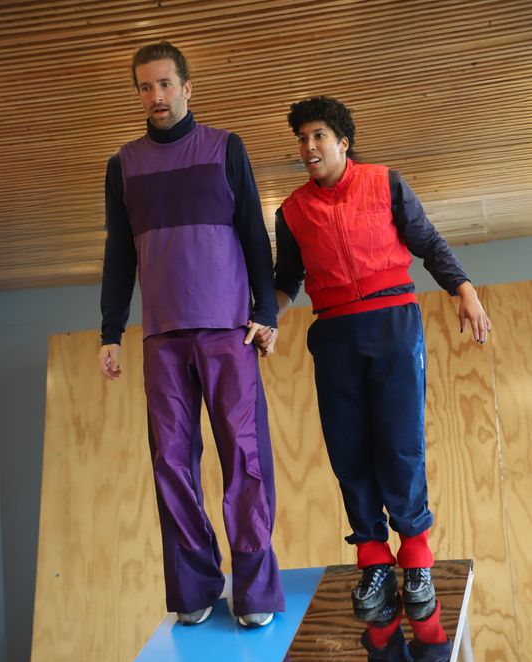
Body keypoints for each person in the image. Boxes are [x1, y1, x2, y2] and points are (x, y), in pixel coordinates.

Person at [259, 95, 490, 624]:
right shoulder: (291, 211)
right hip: (334, 333)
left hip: (393, 324)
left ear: (343, 142)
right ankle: (373, 559)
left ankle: (417, 558)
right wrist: (266, 319)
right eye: (302, 138)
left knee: (400, 443)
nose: (309, 146)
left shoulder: (385, 183)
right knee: (349, 449)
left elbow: (428, 243)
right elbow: (288, 280)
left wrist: (465, 290)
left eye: (319, 136)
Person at [97, 41, 285, 628]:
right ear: (138, 93)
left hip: (228, 329)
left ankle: (255, 591)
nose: (156, 95)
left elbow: (253, 232)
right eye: (145, 86)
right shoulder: (122, 166)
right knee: (171, 462)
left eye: (165, 84)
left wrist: (267, 311)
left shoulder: (225, 148)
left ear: (186, 87)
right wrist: (110, 329)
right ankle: (195, 587)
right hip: (162, 337)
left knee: (245, 457)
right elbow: (118, 253)